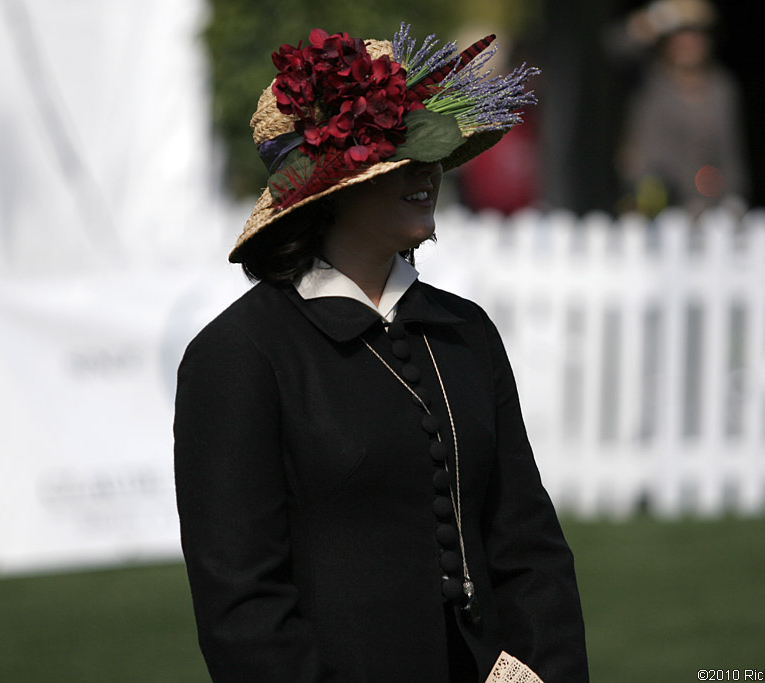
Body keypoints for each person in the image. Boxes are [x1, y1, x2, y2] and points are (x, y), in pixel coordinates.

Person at [173, 24, 589, 683]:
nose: (429, 172)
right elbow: (244, 612)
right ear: (332, 189)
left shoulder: (465, 331)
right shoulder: (239, 357)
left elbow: (528, 544)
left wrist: (539, 671)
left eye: (430, 154)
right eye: (402, 158)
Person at [617, 0, 748, 216]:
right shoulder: (650, 79)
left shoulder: (721, 88)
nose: (688, 43)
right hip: (648, 203)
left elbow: (731, 152)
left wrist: (735, 199)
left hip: (704, 206)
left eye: (696, 35)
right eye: (681, 35)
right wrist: (661, 16)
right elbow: (613, 47)